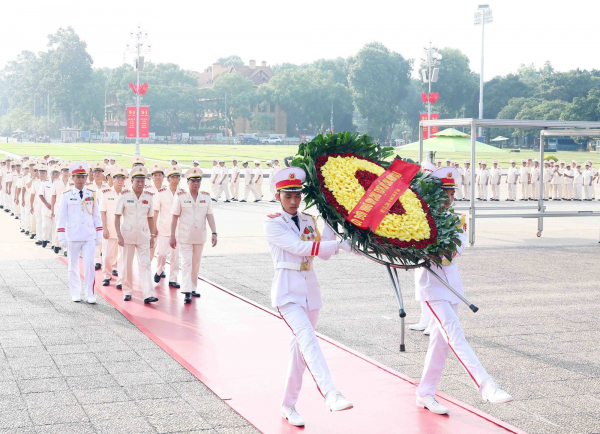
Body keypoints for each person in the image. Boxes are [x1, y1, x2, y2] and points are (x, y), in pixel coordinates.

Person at [415, 167, 513, 415]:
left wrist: (438, 250)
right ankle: (486, 386)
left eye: (451, 193)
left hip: (452, 286)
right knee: (454, 334)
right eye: (443, 193)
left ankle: (425, 393)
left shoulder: (456, 219)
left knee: (440, 343)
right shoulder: (419, 219)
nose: (448, 198)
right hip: (431, 285)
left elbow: (459, 247)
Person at [265, 167, 354, 427]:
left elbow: (323, 251)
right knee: (308, 339)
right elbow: (299, 248)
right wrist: (336, 245)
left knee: (300, 352)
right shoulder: (272, 222)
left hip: (310, 292)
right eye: (288, 196)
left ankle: (288, 404)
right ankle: (331, 393)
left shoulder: (307, 220)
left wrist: (331, 220)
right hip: (287, 293)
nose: (294, 201)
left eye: (297, 196)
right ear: (277, 195)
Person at [56, 162, 103, 304]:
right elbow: (61, 217)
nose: (81, 180)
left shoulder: (91, 194)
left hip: (89, 235)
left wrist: (99, 234)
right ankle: (75, 292)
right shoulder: (66, 195)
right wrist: (61, 236)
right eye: (78, 177)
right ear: (72, 178)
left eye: (83, 177)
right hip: (73, 235)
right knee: (73, 265)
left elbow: (97, 216)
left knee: (89, 264)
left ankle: (89, 292)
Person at [170, 167, 216, 302]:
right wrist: (172, 236)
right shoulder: (181, 197)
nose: (196, 183)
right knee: (186, 262)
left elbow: (210, 216)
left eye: (198, 181)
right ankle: (186, 290)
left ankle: (193, 287)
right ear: (188, 182)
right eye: (193, 181)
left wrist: (214, 232)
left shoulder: (206, 197)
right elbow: (174, 217)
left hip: (199, 235)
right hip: (185, 236)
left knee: (196, 263)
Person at [114, 166, 158, 304]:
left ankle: (148, 294)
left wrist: (152, 235)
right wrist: (119, 235)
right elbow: (117, 216)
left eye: (142, 181)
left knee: (145, 265)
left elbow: (151, 217)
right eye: (137, 181)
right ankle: (127, 291)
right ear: (131, 181)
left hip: (144, 235)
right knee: (127, 265)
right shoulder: (124, 196)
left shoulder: (149, 197)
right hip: (127, 235)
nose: (140, 184)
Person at [154, 165, 183, 289]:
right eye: (172, 178)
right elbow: (155, 211)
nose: (174, 180)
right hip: (164, 228)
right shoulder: (161, 193)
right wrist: (153, 227)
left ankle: (173, 279)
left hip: (177, 230)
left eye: (177, 178)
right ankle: (159, 270)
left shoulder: (183, 194)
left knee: (175, 256)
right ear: (168, 179)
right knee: (161, 253)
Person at [100, 166, 126, 287]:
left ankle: (121, 279)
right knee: (107, 255)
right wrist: (104, 228)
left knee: (122, 257)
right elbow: (103, 212)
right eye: (118, 179)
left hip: (124, 230)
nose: (120, 181)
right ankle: (107, 275)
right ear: (113, 179)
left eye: (122, 179)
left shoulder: (127, 194)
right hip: (110, 229)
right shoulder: (105, 193)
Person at [51, 163, 73, 254]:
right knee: (58, 227)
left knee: (68, 228)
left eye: (67, 171)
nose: (65, 172)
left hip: (70, 208)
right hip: (58, 208)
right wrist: (52, 210)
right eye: (64, 171)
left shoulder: (72, 182)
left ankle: (66, 249)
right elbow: (53, 197)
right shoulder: (56, 182)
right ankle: (57, 244)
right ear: (61, 172)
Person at [40, 165, 59, 249]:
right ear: (50, 174)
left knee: (55, 227)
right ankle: (45, 239)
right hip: (46, 207)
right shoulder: (45, 183)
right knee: (46, 226)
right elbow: (41, 195)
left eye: (57, 174)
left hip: (56, 208)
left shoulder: (60, 184)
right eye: (53, 174)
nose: (55, 176)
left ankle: (54, 244)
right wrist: (46, 204)